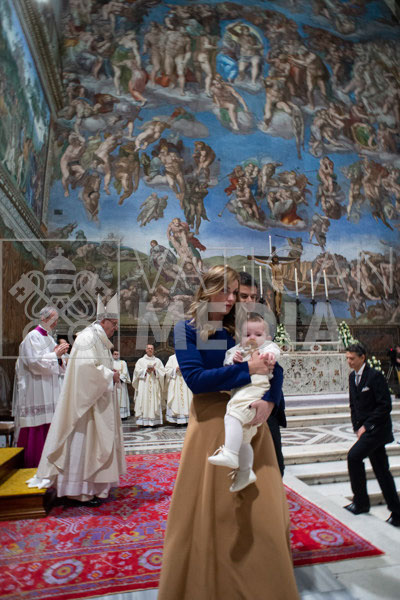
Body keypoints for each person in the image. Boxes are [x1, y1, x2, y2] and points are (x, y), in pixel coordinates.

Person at [158, 265, 299, 600]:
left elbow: (273, 366)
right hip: (210, 425)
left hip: (252, 421)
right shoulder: (186, 330)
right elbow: (196, 381)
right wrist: (246, 369)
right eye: (226, 291)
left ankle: (264, 584)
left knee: (262, 510)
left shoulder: (239, 326)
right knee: (215, 510)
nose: (233, 298)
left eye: (235, 292)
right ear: (208, 290)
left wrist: (270, 401)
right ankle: (209, 584)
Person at [28, 295, 126, 506]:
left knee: (93, 446)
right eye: (114, 323)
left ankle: (92, 488)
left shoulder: (99, 339)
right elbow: (85, 369)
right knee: (82, 447)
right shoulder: (87, 339)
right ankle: (78, 492)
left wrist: (109, 374)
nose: (116, 328)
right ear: (103, 321)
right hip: (84, 408)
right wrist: (110, 375)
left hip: (95, 401)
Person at [208, 313, 281, 491]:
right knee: (244, 437)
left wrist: (269, 356)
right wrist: (234, 361)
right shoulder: (236, 350)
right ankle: (245, 472)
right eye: (247, 335)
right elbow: (227, 365)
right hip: (241, 390)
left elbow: (274, 351)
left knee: (232, 413)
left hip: (256, 387)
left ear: (267, 337)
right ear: (239, 337)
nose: (252, 338)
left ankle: (230, 453)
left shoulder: (267, 348)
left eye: (258, 334)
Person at [344, 342, 400, 527]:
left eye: (352, 358)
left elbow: (385, 405)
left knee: (353, 457)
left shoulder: (375, 376)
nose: (349, 362)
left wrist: (366, 426)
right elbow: (353, 405)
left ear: (363, 357)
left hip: (377, 429)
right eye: (347, 358)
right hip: (366, 430)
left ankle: (361, 503)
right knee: (381, 470)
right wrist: (356, 427)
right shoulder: (352, 377)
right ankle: (397, 512)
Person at [238, 271, 287, 475]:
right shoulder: (224, 328)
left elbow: (277, 369)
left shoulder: (260, 323)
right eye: (243, 296)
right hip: (238, 404)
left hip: (266, 403)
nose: (250, 301)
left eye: (254, 297)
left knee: (274, 465)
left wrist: (270, 401)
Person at [12, 307, 69, 467]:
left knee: (50, 424)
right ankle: (33, 463)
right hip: (35, 389)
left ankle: (50, 464)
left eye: (57, 320)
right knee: (37, 426)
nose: (55, 323)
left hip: (50, 389)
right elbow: (34, 363)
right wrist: (55, 355)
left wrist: (60, 358)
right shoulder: (32, 337)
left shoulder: (50, 339)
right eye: (53, 319)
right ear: (43, 319)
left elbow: (58, 364)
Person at [132, 344, 165, 426]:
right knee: (143, 400)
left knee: (154, 400)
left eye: (151, 348)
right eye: (148, 348)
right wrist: (145, 370)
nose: (150, 350)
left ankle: (154, 422)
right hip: (144, 385)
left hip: (154, 385)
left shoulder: (158, 361)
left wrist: (155, 370)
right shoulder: (140, 361)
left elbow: (162, 372)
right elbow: (136, 372)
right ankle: (143, 422)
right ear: (146, 350)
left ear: (153, 350)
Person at [164, 353, 192, 424]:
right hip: (175, 381)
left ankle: (187, 420)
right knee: (176, 399)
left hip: (185, 381)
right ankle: (177, 420)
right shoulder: (172, 358)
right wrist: (175, 369)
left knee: (186, 399)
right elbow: (166, 370)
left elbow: (191, 368)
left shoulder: (187, 357)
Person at [112, 350, 131, 419]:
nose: (116, 355)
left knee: (122, 399)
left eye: (117, 354)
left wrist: (119, 378)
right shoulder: (110, 362)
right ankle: (114, 415)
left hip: (121, 383)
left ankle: (123, 416)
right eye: (115, 354)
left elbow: (125, 372)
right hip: (113, 383)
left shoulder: (123, 363)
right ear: (112, 355)